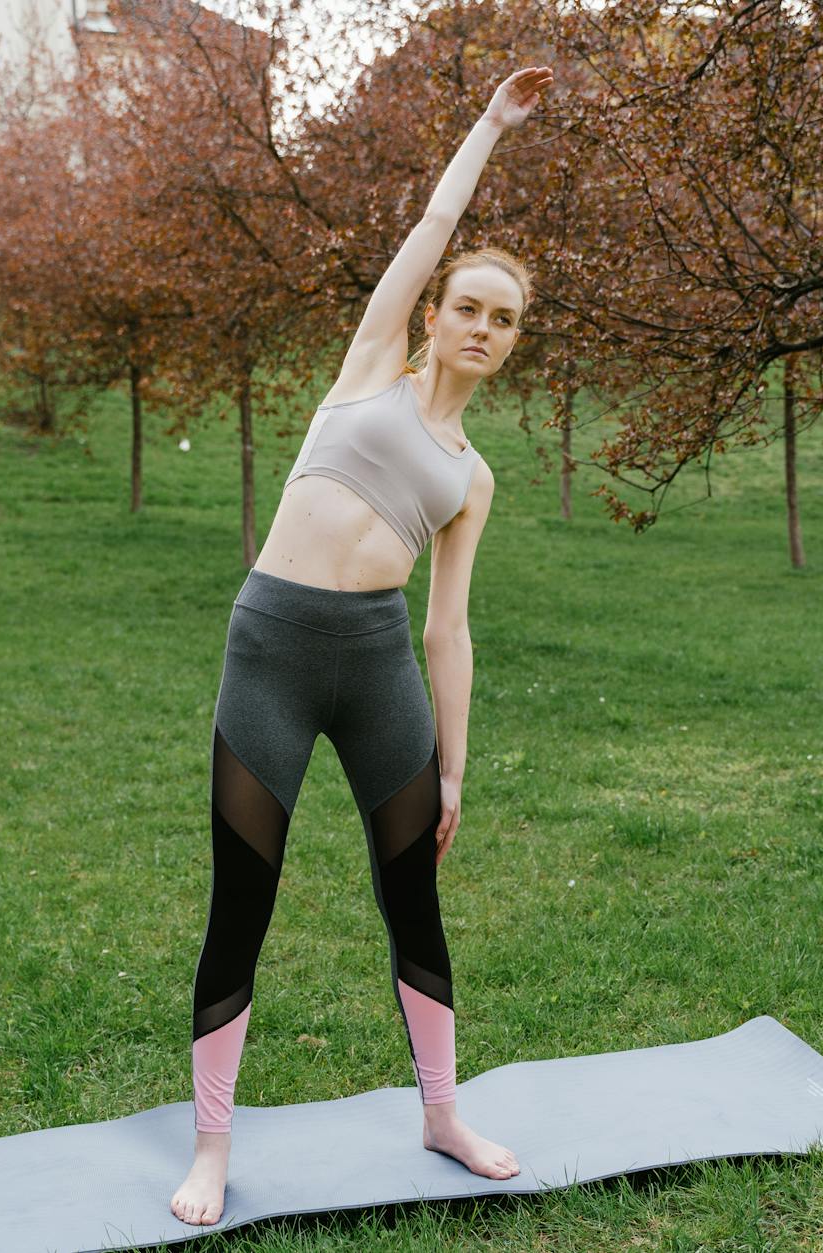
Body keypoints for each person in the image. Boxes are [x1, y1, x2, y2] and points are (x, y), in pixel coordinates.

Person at [170, 65, 555, 1227]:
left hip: (379, 665)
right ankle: (210, 1145)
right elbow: (436, 221)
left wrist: (452, 763)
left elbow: (448, 627)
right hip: (274, 649)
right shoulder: (365, 368)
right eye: (468, 307)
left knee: (413, 900)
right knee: (244, 895)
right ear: (431, 312)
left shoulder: (471, 478)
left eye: (503, 319)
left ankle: (441, 1113)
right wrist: (491, 124)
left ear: (511, 342)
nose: (481, 328)